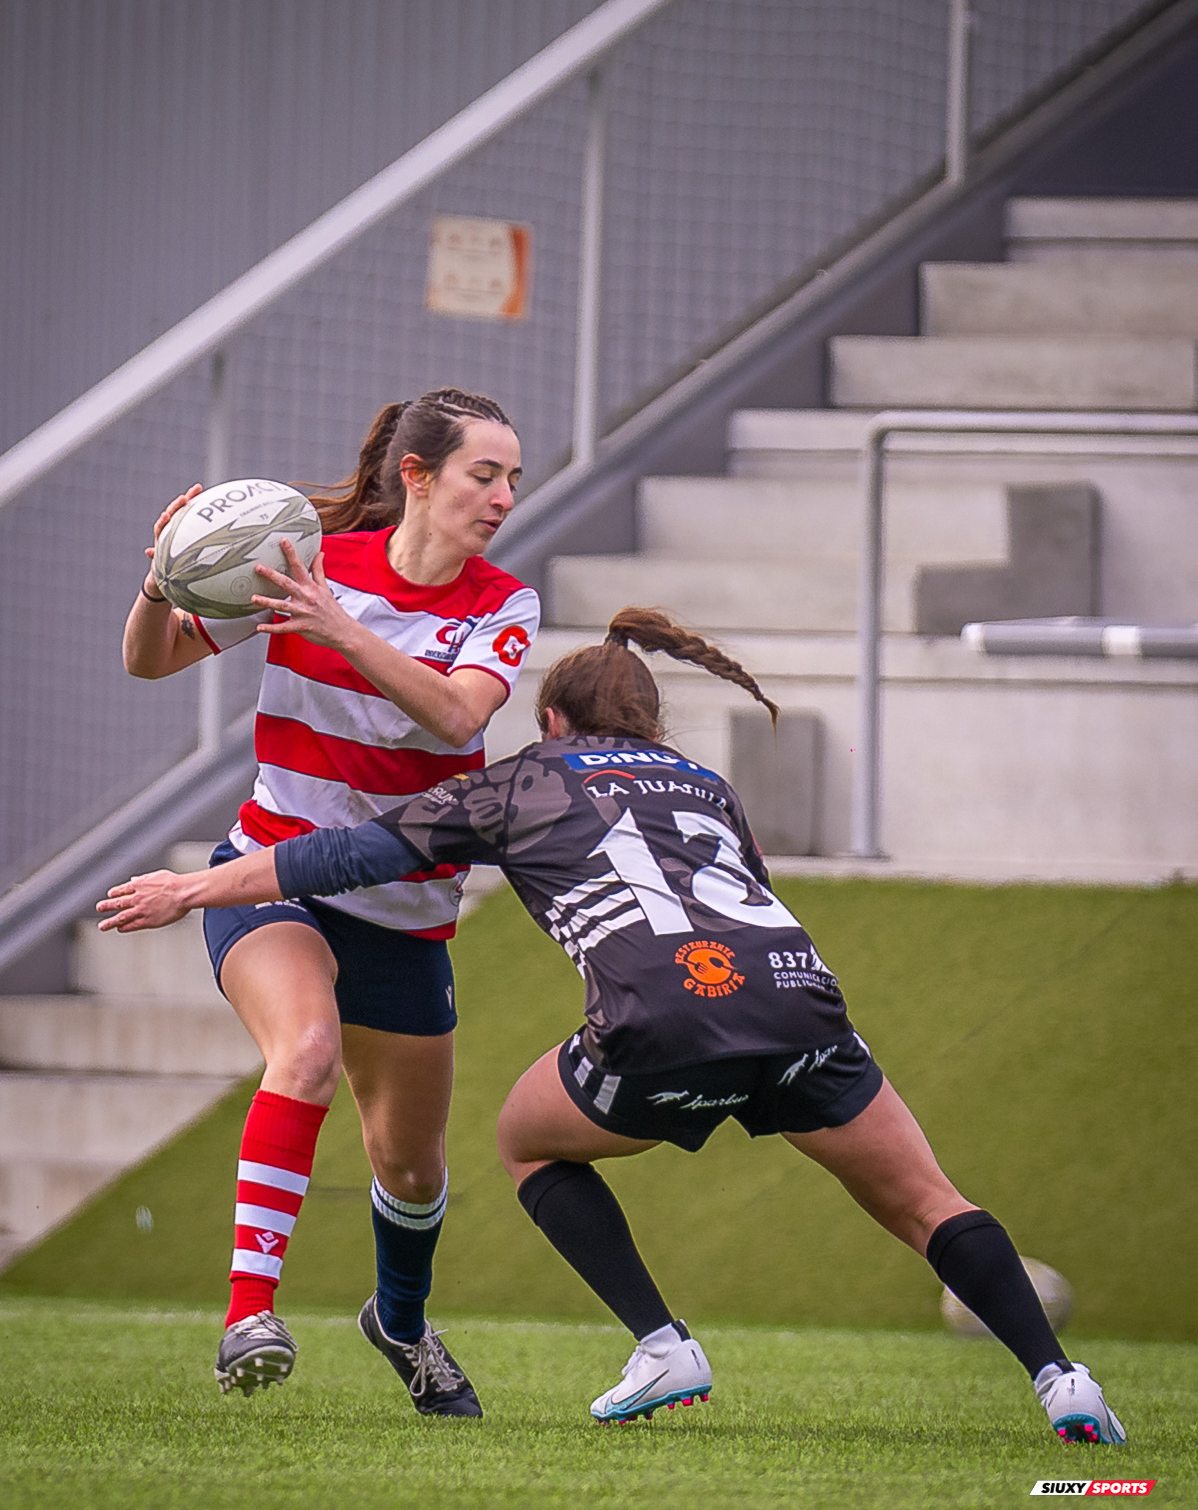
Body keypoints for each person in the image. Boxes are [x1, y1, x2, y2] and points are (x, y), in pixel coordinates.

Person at [102, 608, 1125, 1446]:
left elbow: (336, 859)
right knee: (924, 1200)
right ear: (651, 722)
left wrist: (196, 888)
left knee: (523, 1136)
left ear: (549, 718)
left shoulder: (518, 782)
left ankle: (663, 1344)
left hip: (663, 1023)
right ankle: (1061, 1381)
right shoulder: (706, 785)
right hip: (798, 1002)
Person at [120, 387, 539, 1414]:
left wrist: (336, 626)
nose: (503, 496)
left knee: (409, 1166)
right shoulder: (308, 565)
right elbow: (149, 661)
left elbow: (453, 717)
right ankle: (247, 1318)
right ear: (417, 476)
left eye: (511, 478)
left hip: (405, 908)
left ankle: (398, 1322)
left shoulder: (502, 604)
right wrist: (161, 579)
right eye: (484, 474)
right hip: (271, 871)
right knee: (303, 1050)